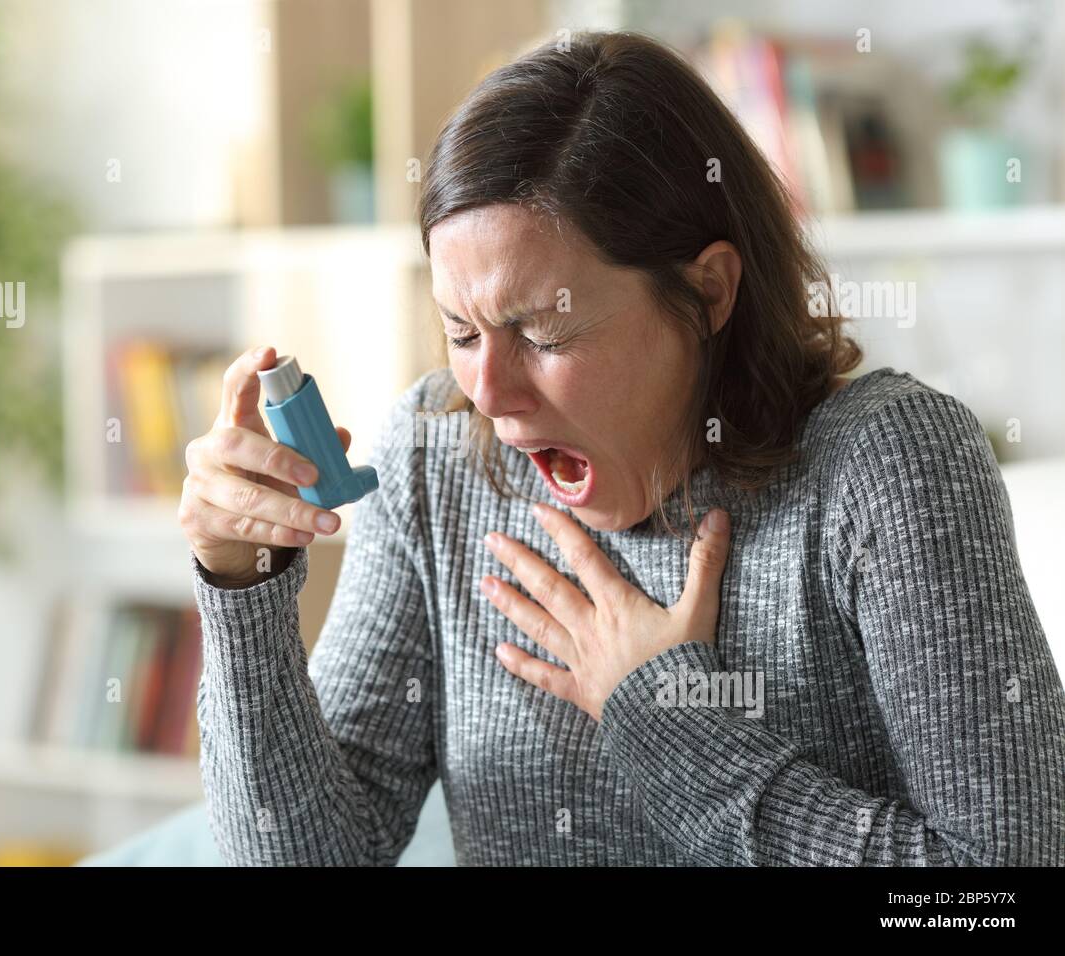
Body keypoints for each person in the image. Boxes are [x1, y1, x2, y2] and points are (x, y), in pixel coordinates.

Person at [177, 31, 1064, 865]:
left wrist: (666, 721)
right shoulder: (433, 458)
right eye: (461, 330)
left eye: (544, 334)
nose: (489, 394)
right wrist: (239, 587)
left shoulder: (883, 467)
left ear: (707, 289)